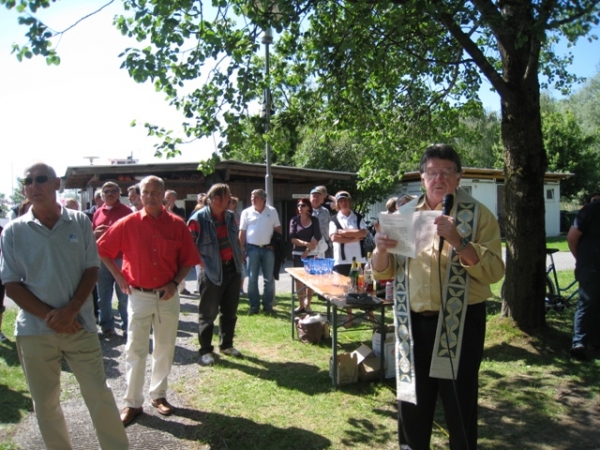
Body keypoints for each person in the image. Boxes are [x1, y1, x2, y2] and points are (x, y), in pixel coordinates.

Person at [371, 144, 504, 449]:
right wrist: (379, 250)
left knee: (459, 405)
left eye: (446, 172)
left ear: (459, 177)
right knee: (412, 405)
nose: (438, 178)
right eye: (432, 172)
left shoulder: (478, 215)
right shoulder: (404, 215)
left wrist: (459, 241)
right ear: (422, 178)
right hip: (412, 325)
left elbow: (494, 271)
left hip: (461, 324)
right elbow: (382, 272)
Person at [0, 162, 128, 449]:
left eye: (41, 179)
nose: (33, 186)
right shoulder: (13, 231)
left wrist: (70, 312)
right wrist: (53, 317)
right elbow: (11, 284)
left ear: (57, 183)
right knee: (45, 404)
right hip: (35, 331)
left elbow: (91, 269)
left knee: (99, 395)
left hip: (80, 327)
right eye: (28, 181)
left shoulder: (79, 222)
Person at [97, 175, 200, 426]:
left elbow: (189, 259)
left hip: (167, 296)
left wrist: (175, 283)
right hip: (138, 295)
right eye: (146, 192)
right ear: (139, 195)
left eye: (155, 192)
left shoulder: (177, 225)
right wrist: (118, 277)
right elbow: (102, 249)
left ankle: (158, 395)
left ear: (163, 195)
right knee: (135, 349)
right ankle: (132, 402)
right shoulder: (127, 223)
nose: (150, 196)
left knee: (164, 348)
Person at [188, 184, 244, 366]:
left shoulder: (230, 216)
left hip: (232, 269)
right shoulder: (198, 218)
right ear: (211, 198)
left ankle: (226, 345)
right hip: (211, 272)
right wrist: (202, 265)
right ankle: (205, 351)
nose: (222, 201)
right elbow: (189, 245)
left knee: (230, 311)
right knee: (208, 313)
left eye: (225, 197)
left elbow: (236, 240)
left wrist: (240, 258)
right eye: (218, 197)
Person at [92, 182, 132, 338]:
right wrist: (95, 233)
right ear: (102, 195)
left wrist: (114, 233)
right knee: (103, 296)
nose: (110, 194)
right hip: (102, 260)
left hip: (121, 259)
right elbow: (91, 236)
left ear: (118, 194)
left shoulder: (127, 211)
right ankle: (106, 326)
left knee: (124, 295)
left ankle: (127, 326)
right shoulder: (97, 212)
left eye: (113, 191)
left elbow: (132, 235)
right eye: (106, 191)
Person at [567, 194, 600, 361]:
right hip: (591, 266)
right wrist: (581, 258)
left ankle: (595, 342)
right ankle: (579, 344)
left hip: (589, 264)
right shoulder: (590, 210)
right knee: (587, 303)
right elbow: (572, 237)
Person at [239, 189, 282, 314]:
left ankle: (267, 306)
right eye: (252, 197)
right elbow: (242, 232)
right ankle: (254, 306)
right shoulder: (246, 212)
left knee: (269, 279)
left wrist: (275, 245)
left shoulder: (272, 211)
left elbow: (278, 229)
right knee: (252, 279)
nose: (253, 199)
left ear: (263, 199)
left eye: (256, 197)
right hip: (252, 249)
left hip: (268, 249)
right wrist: (241, 250)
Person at [329, 190, 368, 326]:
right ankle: (349, 317)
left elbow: (364, 233)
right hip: (342, 259)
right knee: (345, 288)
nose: (343, 203)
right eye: (340, 201)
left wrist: (344, 233)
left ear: (349, 201)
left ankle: (370, 315)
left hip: (359, 258)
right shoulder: (334, 219)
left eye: (345, 200)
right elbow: (334, 237)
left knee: (362, 287)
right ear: (338, 204)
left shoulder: (358, 217)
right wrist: (355, 238)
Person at [290, 197, 322, 313]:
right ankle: (301, 305)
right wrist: (305, 243)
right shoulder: (294, 220)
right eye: (298, 205)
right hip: (297, 254)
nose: (300, 207)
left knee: (310, 279)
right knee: (298, 280)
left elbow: (317, 236)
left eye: (303, 205)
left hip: (311, 254)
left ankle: (308, 305)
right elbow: (292, 238)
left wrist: (307, 250)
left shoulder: (314, 220)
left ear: (308, 207)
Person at [228, 196, 247, 296]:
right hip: (228, 245)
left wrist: (242, 248)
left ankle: (240, 288)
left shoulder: (239, 215)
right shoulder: (224, 214)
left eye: (230, 202)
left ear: (234, 204)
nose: (228, 204)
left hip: (238, 244)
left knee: (241, 267)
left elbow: (242, 231)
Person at [310, 187, 332, 258]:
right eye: (314, 196)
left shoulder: (326, 211)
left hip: (325, 242)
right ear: (310, 198)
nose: (316, 199)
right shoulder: (306, 212)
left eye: (318, 197)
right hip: (311, 243)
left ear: (321, 199)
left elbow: (330, 225)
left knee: (325, 263)